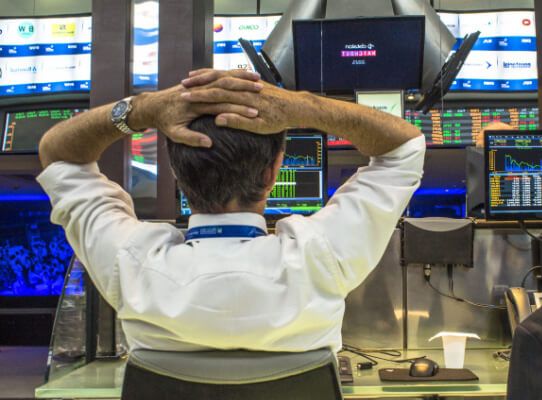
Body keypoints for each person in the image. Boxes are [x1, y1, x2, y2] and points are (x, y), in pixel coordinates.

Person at [36, 69, 425, 352]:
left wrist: (144, 109)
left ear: (175, 172)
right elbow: (404, 147)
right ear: (274, 171)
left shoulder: (130, 261)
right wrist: (303, 106)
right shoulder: (319, 256)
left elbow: (58, 156)